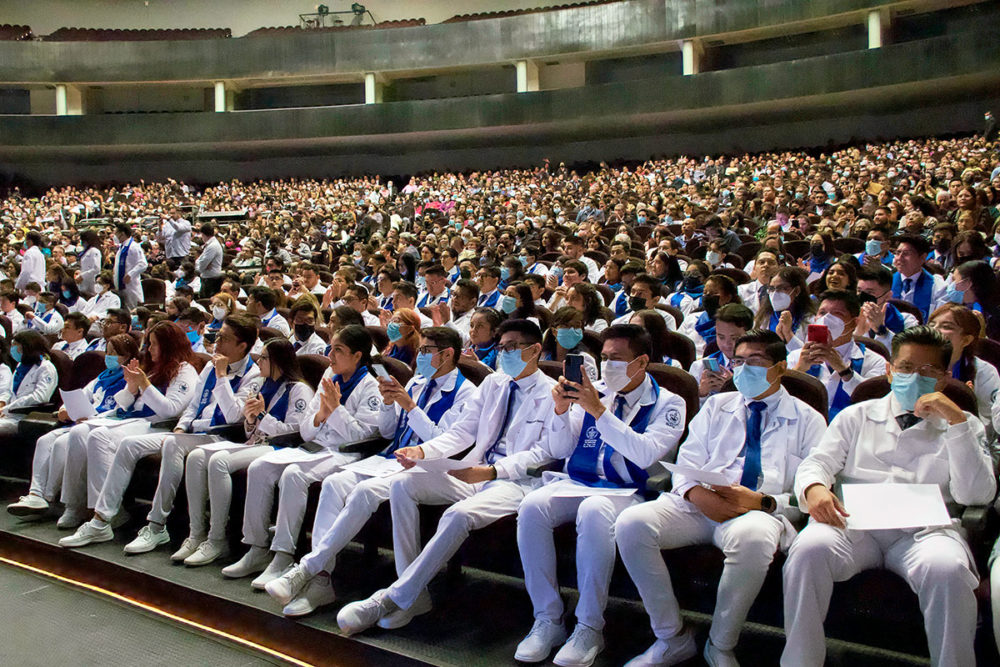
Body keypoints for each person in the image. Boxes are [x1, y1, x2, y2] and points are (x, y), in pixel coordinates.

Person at [782, 326, 994, 667]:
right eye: (907, 368)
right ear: (890, 369)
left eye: (928, 372)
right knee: (808, 549)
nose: (915, 378)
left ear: (943, 379)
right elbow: (817, 463)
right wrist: (815, 488)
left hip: (924, 532)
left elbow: (977, 494)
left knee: (948, 569)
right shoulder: (857, 416)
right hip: (855, 526)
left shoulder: (963, 423)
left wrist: (956, 422)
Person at [616, 329, 825, 667]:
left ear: (780, 368)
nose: (743, 369)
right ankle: (671, 636)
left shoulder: (808, 420)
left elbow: (810, 489)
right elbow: (687, 461)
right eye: (738, 361)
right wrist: (696, 493)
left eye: (754, 362)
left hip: (757, 509)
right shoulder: (717, 405)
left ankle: (721, 644)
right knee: (631, 524)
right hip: (700, 502)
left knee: (754, 538)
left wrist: (762, 502)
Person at [336, 319, 558, 635]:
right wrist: (423, 452)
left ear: (535, 350)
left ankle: (394, 596)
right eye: (501, 347)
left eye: (512, 347)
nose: (504, 353)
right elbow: (460, 432)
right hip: (475, 472)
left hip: (514, 481)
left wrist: (495, 470)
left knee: (457, 515)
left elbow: (543, 453)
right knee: (403, 482)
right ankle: (415, 594)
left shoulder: (551, 393)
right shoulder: (494, 384)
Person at [264, 327, 476, 617]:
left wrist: (409, 405)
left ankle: (309, 567)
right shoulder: (416, 381)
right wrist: (390, 405)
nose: (420, 357)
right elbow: (389, 431)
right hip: (391, 457)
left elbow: (442, 442)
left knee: (364, 491)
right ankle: (321, 580)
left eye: (426, 351)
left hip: (429, 468)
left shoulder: (467, 393)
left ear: (448, 354)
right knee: (335, 482)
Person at [514, 324, 686, 666]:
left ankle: (589, 626)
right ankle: (547, 618)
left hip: (630, 490)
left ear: (640, 362)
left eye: (617, 359)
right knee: (532, 505)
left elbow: (644, 454)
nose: (608, 366)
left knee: (594, 511)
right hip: (580, 480)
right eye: (604, 357)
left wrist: (599, 411)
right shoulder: (596, 391)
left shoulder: (670, 402)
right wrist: (561, 411)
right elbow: (561, 448)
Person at [60, 316, 260, 550]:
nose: (216, 342)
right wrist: (181, 426)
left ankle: (156, 525)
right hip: (189, 432)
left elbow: (231, 416)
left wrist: (222, 376)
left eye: (223, 338)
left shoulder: (252, 374)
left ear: (242, 346)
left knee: (168, 445)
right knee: (129, 444)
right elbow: (193, 407)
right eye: (217, 336)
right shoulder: (209, 366)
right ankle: (101, 519)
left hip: (221, 435)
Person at [223, 325, 381, 589]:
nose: (330, 355)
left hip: (345, 455)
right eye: (330, 348)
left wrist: (335, 410)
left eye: (338, 350)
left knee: (293, 474)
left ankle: (283, 555)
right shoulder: (330, 375)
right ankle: (257, 547)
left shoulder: (370, 387)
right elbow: (307, 430)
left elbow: (360, 438)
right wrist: (321, 415)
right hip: (314, 447)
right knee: (260, 467)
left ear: (357, 355)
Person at [174, 338, 315, 567]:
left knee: (219, 461)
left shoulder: (299, 389)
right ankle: (197, 532)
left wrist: (261, 417)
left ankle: (217, 538)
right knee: (198, 456)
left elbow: (295, 432)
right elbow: (247, 425)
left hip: (279, 447)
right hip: (254, 442)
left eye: (264, 358)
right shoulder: (261, 384)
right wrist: (250, 419)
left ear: (278, 361)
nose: (259, 361)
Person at [7, 334, 138, 518]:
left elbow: (121, 409)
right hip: (80, 421)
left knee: (61, 445)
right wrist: (64, 409)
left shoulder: (131, 378)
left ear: (128, 356)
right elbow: (80, 395)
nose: (108, 356)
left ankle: (51, 498)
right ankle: (35, 494)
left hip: (102, 425)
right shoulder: (101, 377)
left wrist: (91, 417)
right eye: (107, 352)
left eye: (114, 353)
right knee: (45, 441)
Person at [788, 290, 885, 422]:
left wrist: (843, 369)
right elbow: (781, 399)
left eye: (837, 314)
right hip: (802, 429)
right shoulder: (796, 356)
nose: (826, 318)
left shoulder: (874, 361)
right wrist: (798, 371)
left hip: (850, 430)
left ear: (854, 322)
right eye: (822, 313)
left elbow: (874, 403)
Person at [927, 303, 1000, 439]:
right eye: (931, 325)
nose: (935, 330)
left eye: (946, 327)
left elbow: (991, 428)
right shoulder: (914, 366)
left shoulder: (984, 372)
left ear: (966, 339)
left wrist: (970, 405)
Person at [690, 303, 755, 404]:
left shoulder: (758, 368)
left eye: (735, 338)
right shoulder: (700, 366)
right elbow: (690, 412)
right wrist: (702, 394)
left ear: (749, 334)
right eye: (721, 337)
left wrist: (733, 388)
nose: (726, 344)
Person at [0, 330, 58, 436]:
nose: (12, 349)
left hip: (24, 417)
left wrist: (7, 408)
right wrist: (3, 403)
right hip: (7, 413)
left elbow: (39, 397)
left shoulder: (46, 368)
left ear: (27, 347)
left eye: (15, 345)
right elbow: (10, 391)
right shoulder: (21, 365)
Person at [854, 265, 919, 350]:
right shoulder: (847, 317)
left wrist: (881, 331)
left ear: (887, 296)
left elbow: (906, 354)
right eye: (859, 291)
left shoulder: (907, 321)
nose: (862, 297)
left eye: (870, 292)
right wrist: (857, 334)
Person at [753, 267, 815, 351]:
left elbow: (810, 356)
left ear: (796, 291)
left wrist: (788, 333)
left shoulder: (811, 320)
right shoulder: (763, 317)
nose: (775, 294)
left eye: (782, 288)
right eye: (771, 289)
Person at [679, 274, 740, 356]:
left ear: (728, 298)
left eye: (713, 293)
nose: (707, 296)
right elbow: (676, 345)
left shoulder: (738, 325)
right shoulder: (691, 318)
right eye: (705, 292)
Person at [891, 234, 946, 321]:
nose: (899, 258)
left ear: (923, 257)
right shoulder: (886, 281)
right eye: (898, 253)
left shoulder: (937, 286)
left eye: (906, 254)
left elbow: (940, 319)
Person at [540, 307, 598, 382]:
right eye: (565, 326)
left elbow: (590, 389)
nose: (571, 330)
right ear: (554, 331)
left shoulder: (586, 360)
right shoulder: (542, 356)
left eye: (576, 326)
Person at [111, 222, 148, 310]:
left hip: (130, 284)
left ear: (122, 234)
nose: (114, 236)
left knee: (132, 309)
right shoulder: (122, 247)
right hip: (120, 284)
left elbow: (143, 264)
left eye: (116, 233)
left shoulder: (133, 247)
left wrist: (130, 274)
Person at [737, 248, 781, 314]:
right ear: (754, 268)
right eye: (761, 262)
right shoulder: (741, 290)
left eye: (771, 263)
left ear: (779, 268)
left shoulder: (785, 292)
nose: (766, 265)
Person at [195, 223, 224, 298]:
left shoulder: (213, 246)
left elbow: (202, 264)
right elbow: (199, 261)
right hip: (207, 278)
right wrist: (200, 265)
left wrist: (198, 267)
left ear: (203, 234)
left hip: (212, 279)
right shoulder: (209, 245)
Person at [16, 230, 46, 295]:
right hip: (40, 287)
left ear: (29, 241)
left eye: (26, 240)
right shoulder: (40, 254)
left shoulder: (29, 253)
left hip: (31, 288)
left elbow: (26, 272)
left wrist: (19, 286)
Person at [75, 228, 103, 298]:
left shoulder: (94, 251)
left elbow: (96, 269)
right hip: (84, 283)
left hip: (91, 282)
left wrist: (82, 276)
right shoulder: (86, 251)